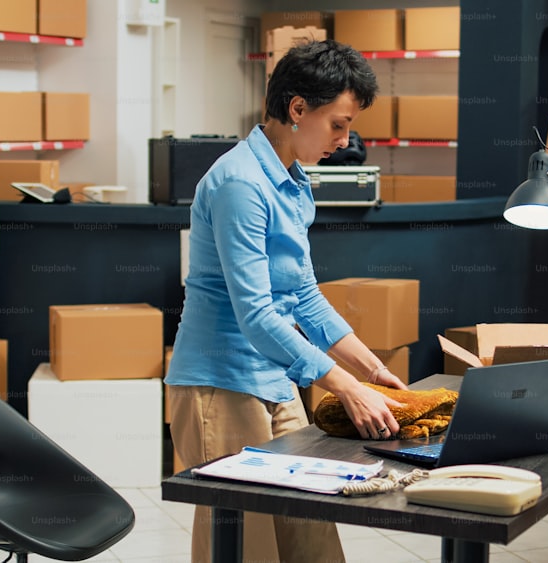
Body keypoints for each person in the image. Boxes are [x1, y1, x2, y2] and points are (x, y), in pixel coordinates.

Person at [164, 39, 408, 563]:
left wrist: (371, 370)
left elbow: (303, 296)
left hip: (276, 379)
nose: (345, 141)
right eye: (339, 124)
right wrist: (343, 386)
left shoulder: (293, 181)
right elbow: (256, 315)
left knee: (313, 534)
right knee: (246, 547)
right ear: (297, 109)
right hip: (219, 384)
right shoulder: (239, 184)